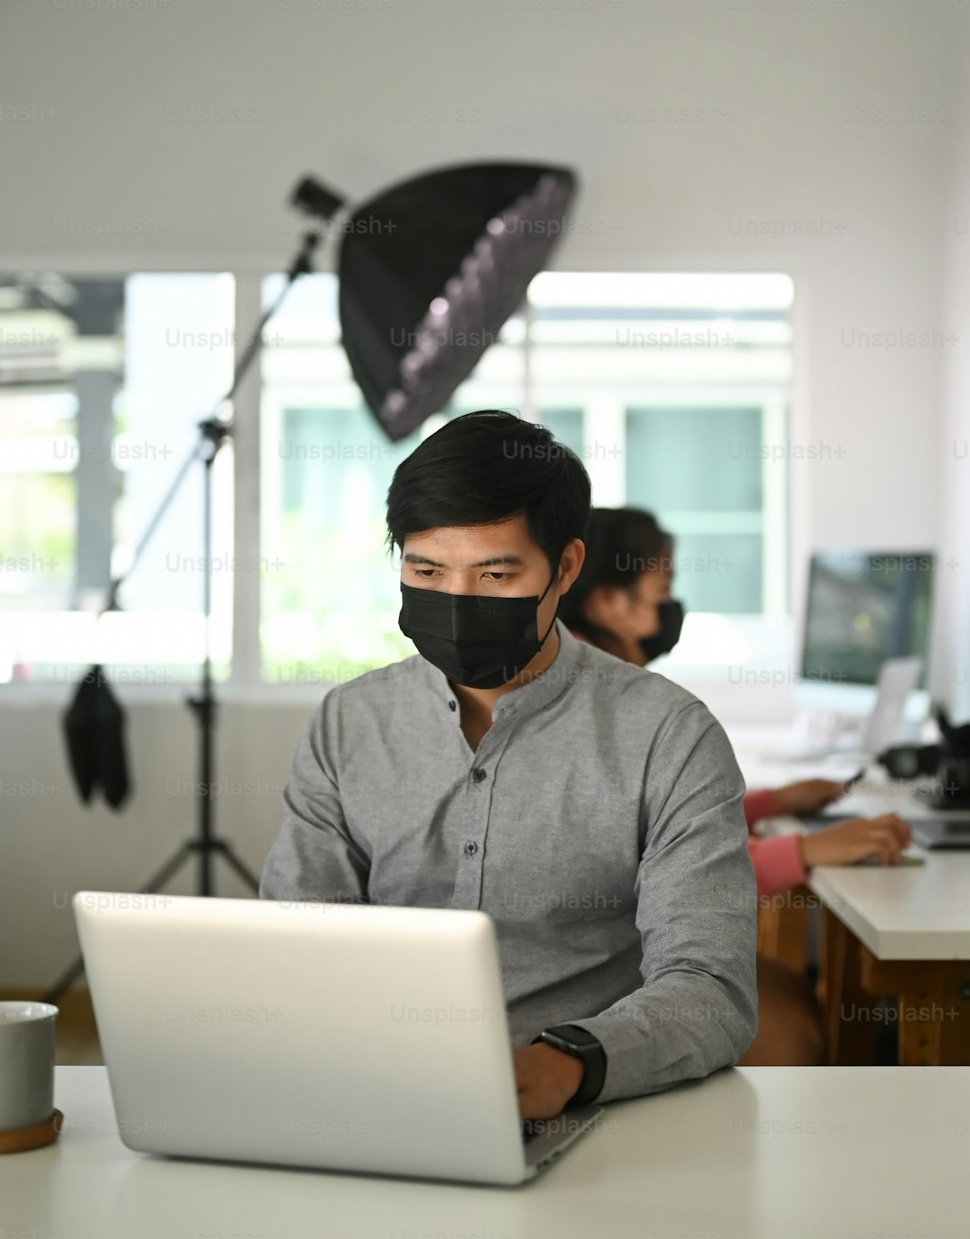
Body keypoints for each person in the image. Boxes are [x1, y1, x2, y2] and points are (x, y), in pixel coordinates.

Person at [261, 411, 758, 1117]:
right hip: (378, 1091)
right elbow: (295, 942)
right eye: (426, 569)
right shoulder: (350, 723)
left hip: (589, 1104)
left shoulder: (668, 736)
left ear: (566, 568)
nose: (458, 601)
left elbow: (713, 988)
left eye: (495, 574)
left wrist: (571, 1063)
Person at [559, 506, 912, 1065]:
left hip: (622, 938)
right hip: (599, 953)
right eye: (663, 587)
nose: (673, 605)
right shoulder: (594, 698)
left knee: (793, 989)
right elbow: (664, 865)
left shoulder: (610, 684)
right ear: (609, 603)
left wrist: (773, 803)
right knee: (796, 1027)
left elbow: (664, 817)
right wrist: (806, 848)